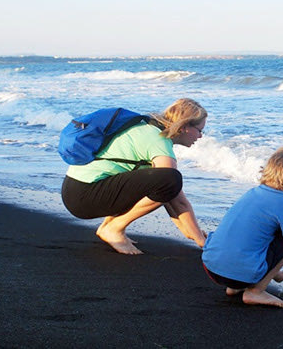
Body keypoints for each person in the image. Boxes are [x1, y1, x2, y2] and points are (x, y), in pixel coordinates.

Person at [61, 98, 207, 255]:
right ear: (184, 127)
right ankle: (114, 228)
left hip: (75, 190)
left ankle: (110, 226)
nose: (200, 137)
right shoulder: (158, 140)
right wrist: (201, 241)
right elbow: (175, 195)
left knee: (161, 180)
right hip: (85, 197)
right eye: (200, 130)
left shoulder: (146, 127)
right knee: (171, 178)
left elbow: (170, 197)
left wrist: (190, 232)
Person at [202, 144, 283, 308]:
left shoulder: (252, 193)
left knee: (256, 235)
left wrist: (278, 275)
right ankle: (255, 291)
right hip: (238, 274)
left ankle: (235, 288)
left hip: (211, 267)